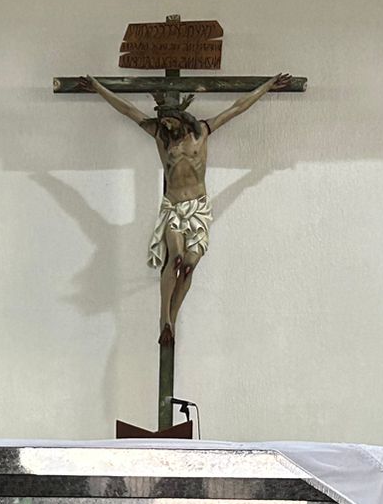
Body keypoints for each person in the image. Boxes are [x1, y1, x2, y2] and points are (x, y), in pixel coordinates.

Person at [82, 73, 289, 345]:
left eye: (169, 119)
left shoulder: (202, 132)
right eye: (163, 120)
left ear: (181, 117)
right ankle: (163, 319)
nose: (165, 124)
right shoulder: (161, 137)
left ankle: (173, 318)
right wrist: (98, 88)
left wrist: (267, 87)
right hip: (173, 207)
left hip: (198, 209)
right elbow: (127, 110)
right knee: (176, 258)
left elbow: (238, 107)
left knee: (189, 266)